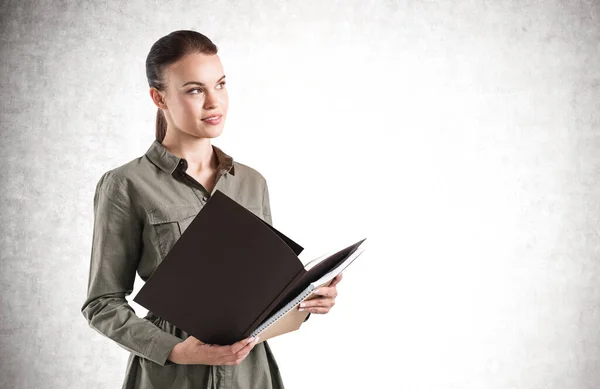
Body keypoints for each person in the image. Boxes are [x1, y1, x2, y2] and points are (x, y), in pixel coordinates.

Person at [80, 30, 343, 389]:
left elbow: (261, 293)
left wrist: (306, 301)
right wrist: (176, 351)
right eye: (194, 90)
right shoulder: (126, 184)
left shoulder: (251, 182)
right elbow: (102, 303)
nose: (213, 102)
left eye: (219, 85)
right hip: (172, 377)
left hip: (251, 374)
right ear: (159, 98)